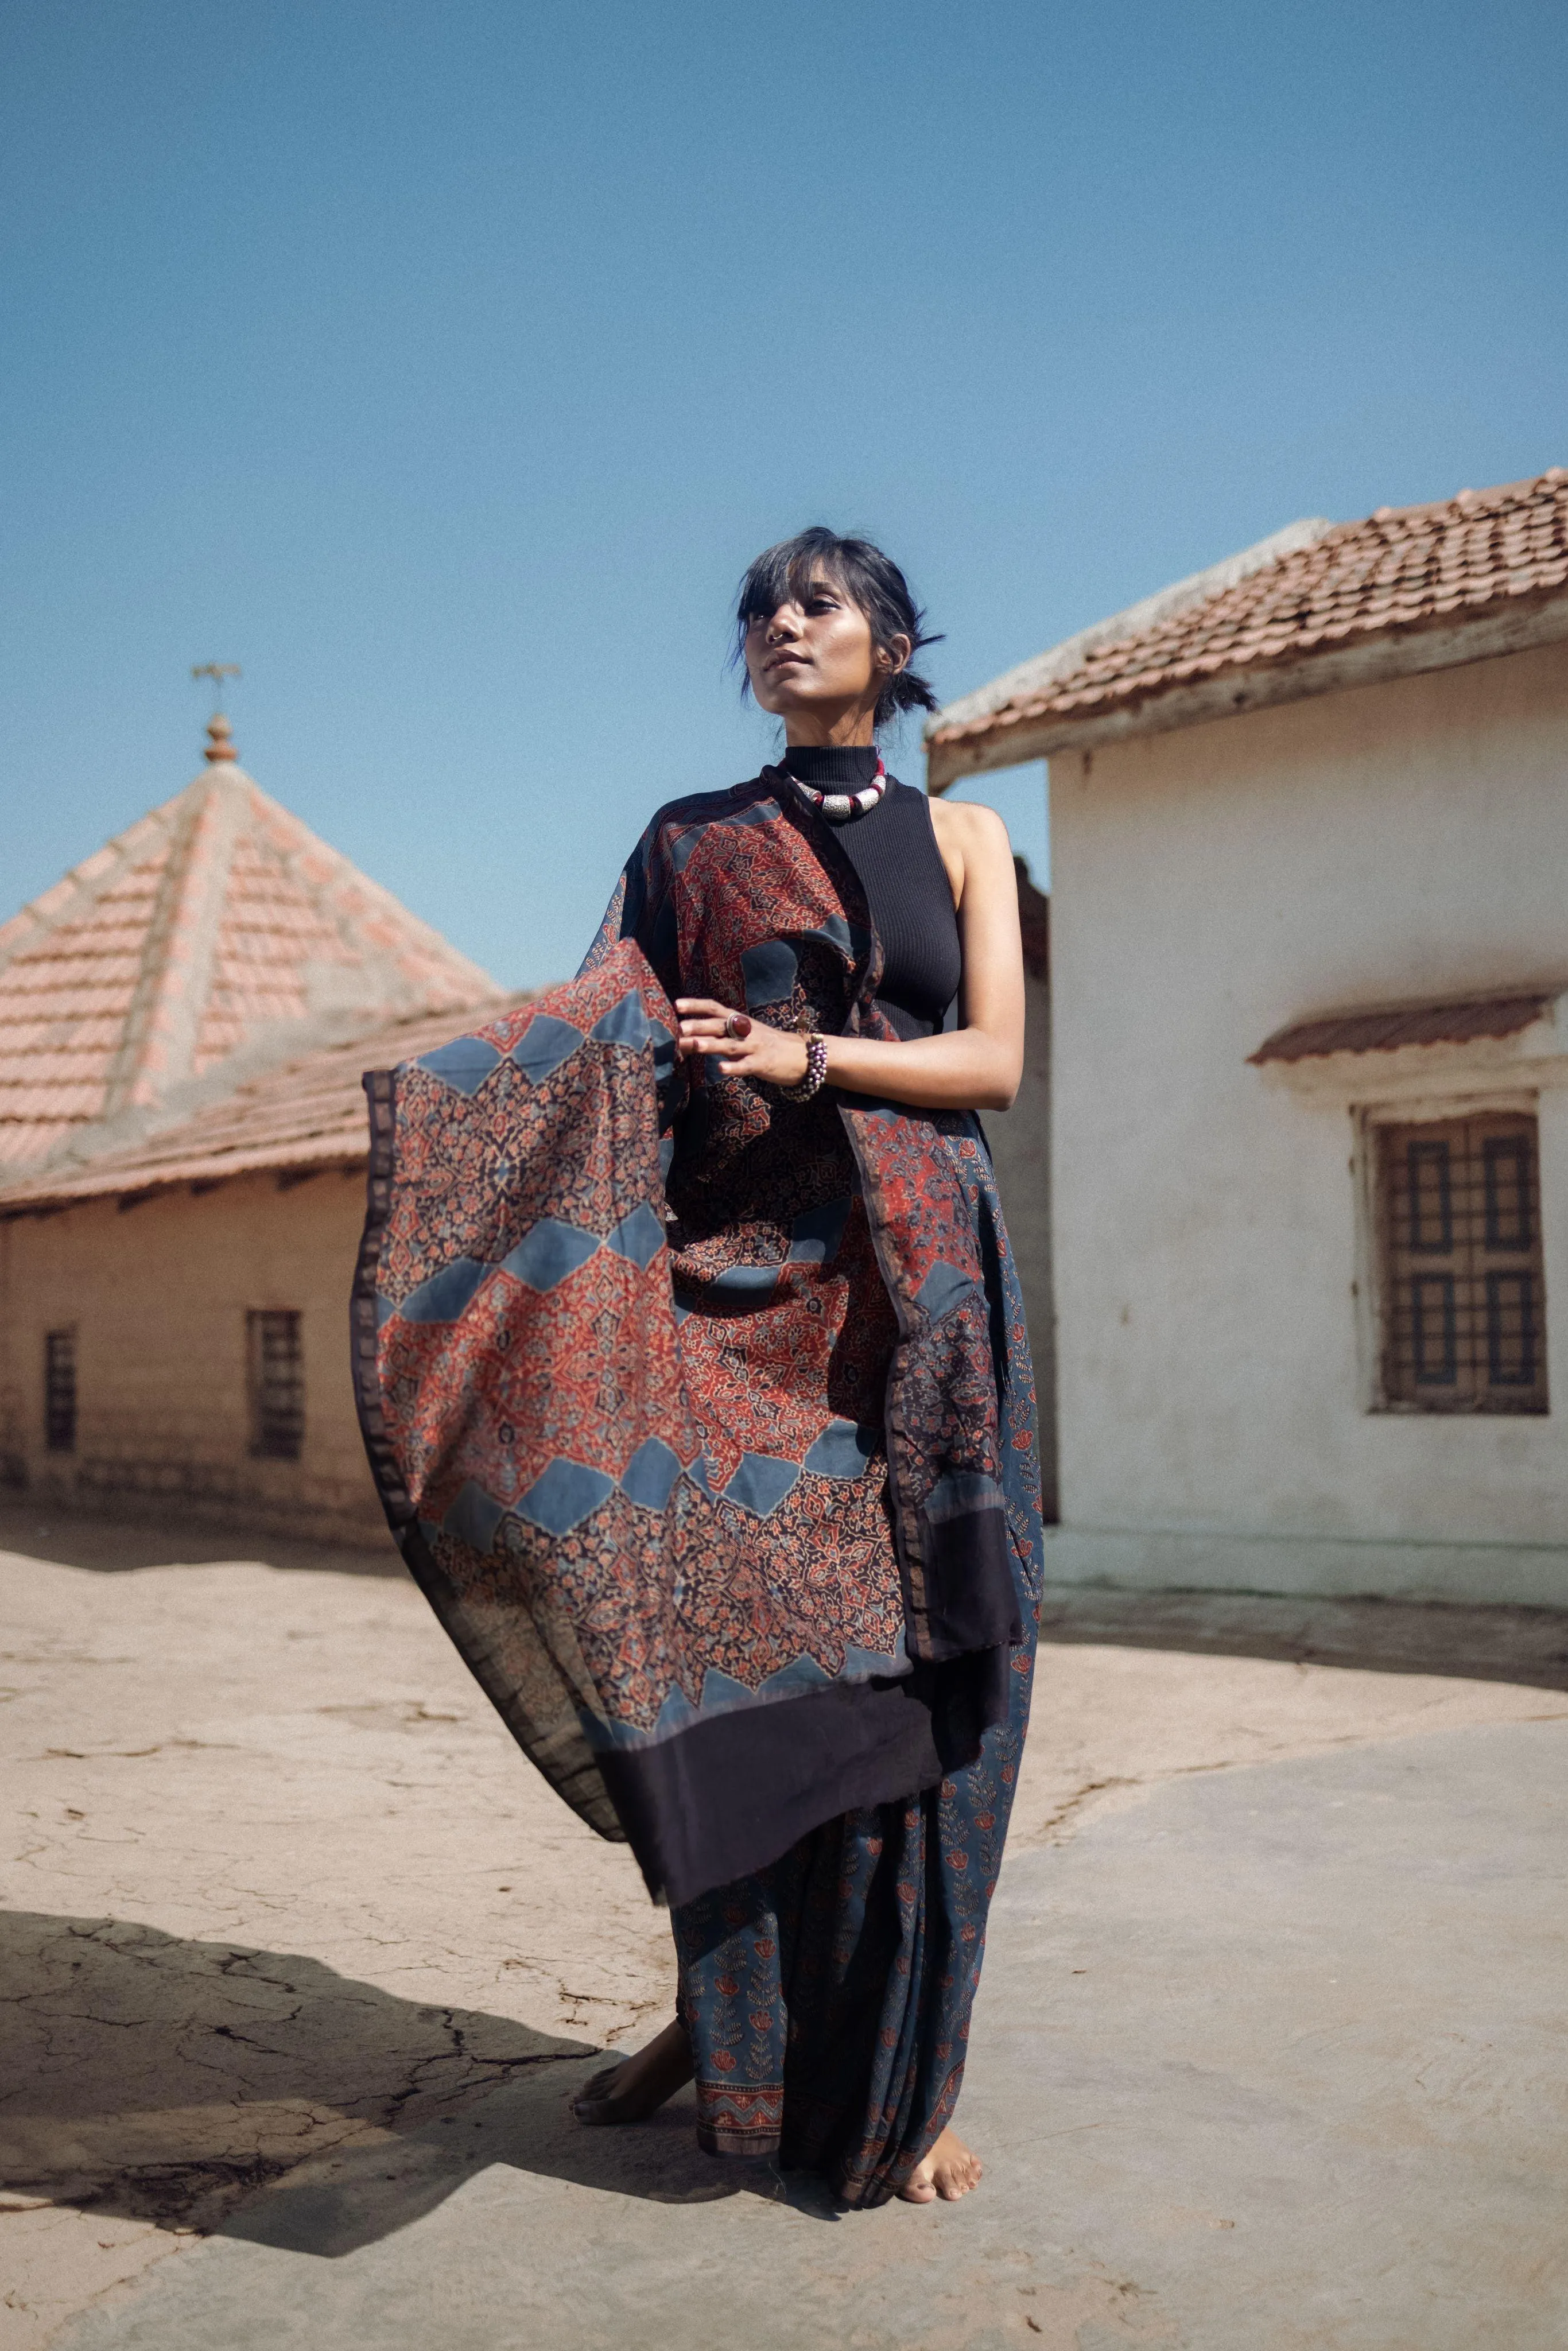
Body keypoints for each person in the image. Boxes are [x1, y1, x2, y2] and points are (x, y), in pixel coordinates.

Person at [353, 529, 1044, 2209]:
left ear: (889, 639)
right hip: (743, 1316)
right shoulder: (690, 844)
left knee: (935, 1691)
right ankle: (715, 2020)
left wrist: (808, 1055)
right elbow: (604, 1035)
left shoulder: (963, 837)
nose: (778, 627)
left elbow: (995, 1067)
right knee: (744, 1693)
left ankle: (900, 2078)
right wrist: (449, 1108)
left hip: (929, 1311)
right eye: (758, 611)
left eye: (814, 603)